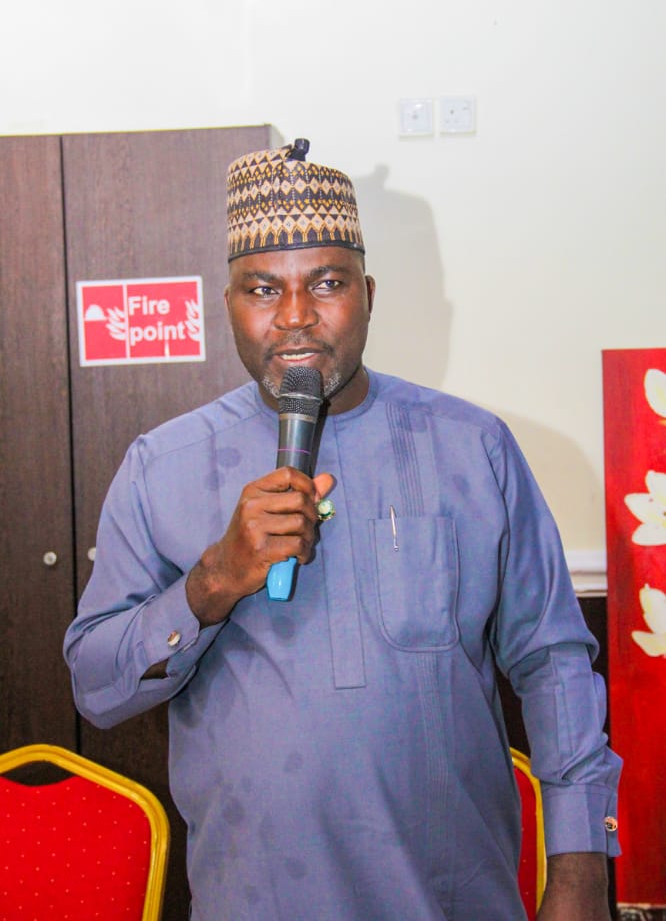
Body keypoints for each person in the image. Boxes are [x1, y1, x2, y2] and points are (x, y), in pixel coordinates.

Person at [64, 139, 621, 921]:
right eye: (263, 289)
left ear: (368, 293)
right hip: (257, 901)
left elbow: (554, 661)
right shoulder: (161, 466)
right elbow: (96, 686)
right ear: (229, 304)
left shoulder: (474, 447)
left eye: (326, 283)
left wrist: (580, 870)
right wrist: (214, 580)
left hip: (452, 898)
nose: (296, 316)